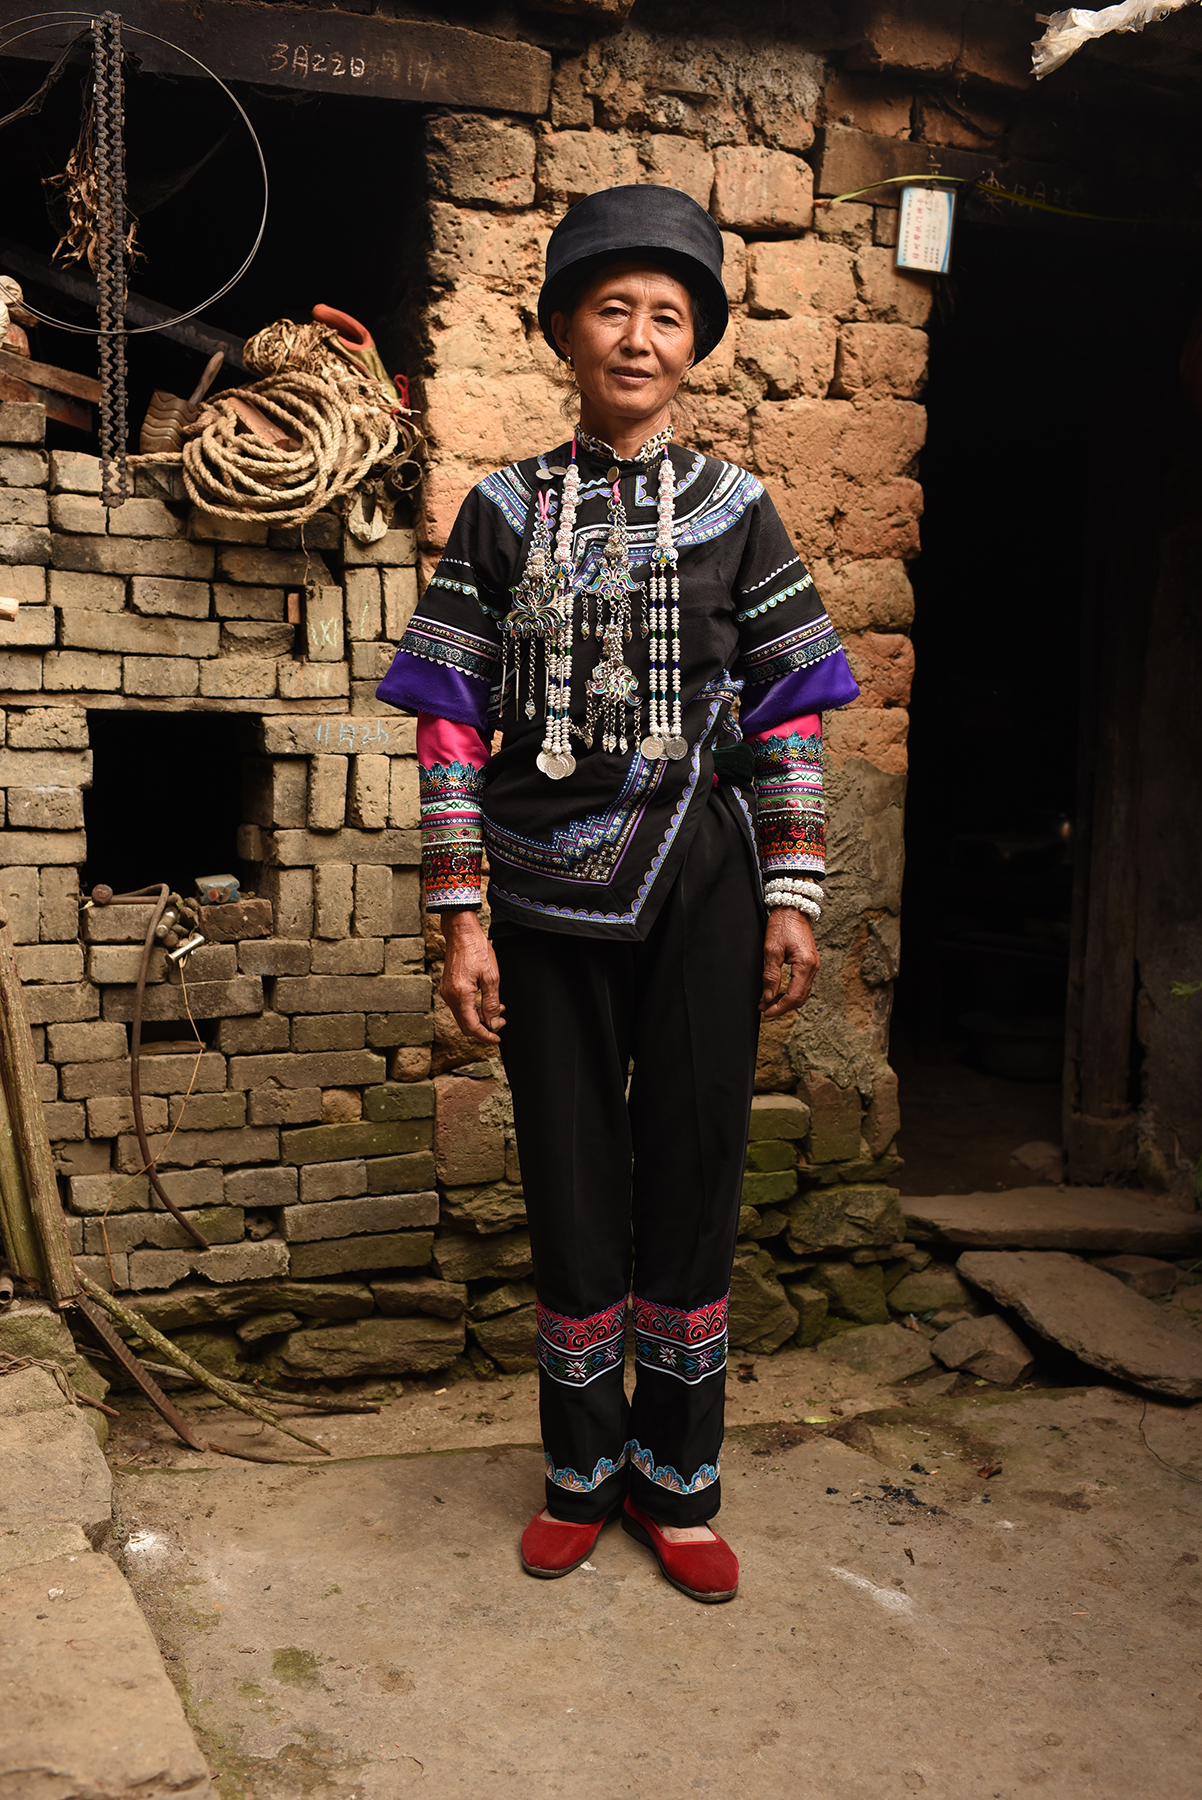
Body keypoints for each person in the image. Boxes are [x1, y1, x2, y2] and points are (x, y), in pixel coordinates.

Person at [378, 184, 858, 1604]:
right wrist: (458, 910)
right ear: (566, 333)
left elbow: (786, 715)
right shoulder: (501, 510)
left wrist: (794, 890)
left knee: (696, 1157)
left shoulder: (737, 511)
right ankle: (580, 1473)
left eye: (666, 314)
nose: (638, 337)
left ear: (695, 343)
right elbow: (450, 718)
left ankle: (680, 1481)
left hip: (702, 881)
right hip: (534, 892)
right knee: (575, 1168)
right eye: (612, 308)